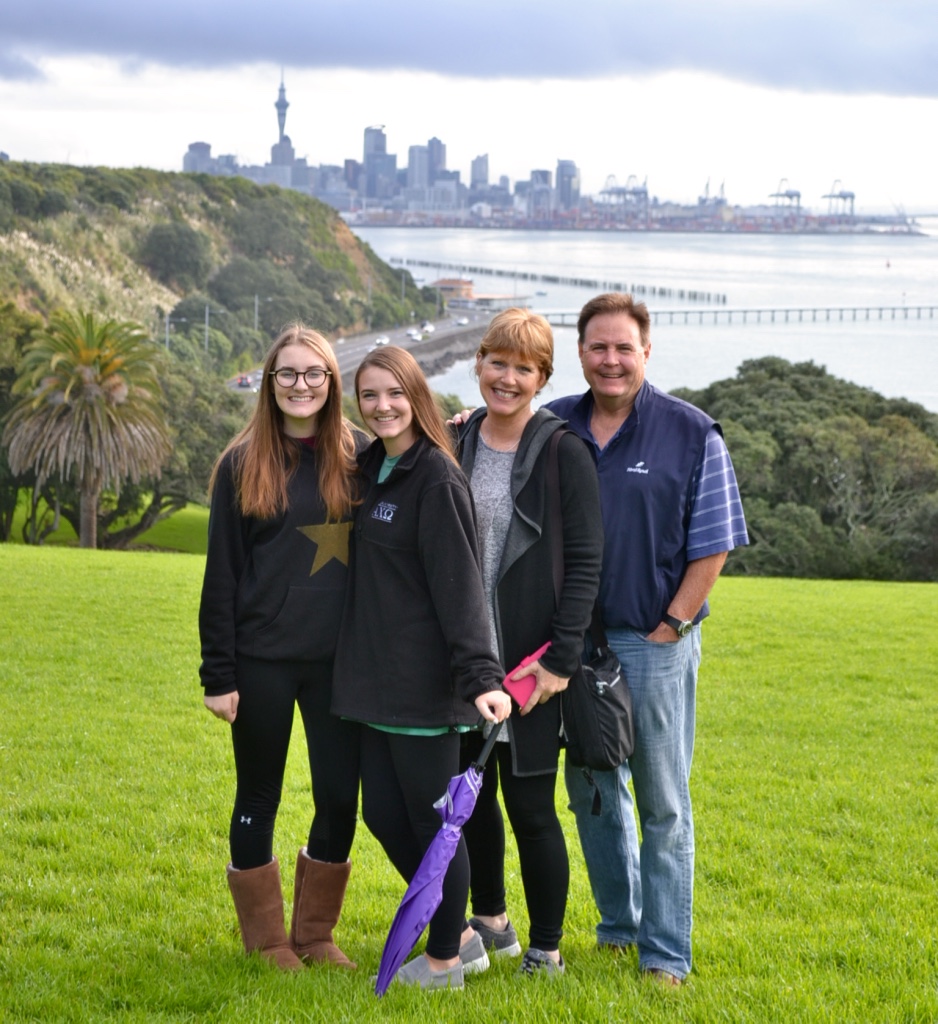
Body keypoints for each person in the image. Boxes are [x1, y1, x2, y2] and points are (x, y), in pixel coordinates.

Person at [546, 293, 748, 986]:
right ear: (580, 353)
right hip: (573, 645)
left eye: (623, 348)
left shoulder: (691, 433)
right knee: (594, 790)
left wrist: (675, 624)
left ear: (646, 352)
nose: (610, 359)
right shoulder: (554, 426)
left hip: (653, 643)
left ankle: (665, 953)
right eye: (598, 347)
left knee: (662, 801)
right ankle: (617, 927)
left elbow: (716, 543)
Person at [332, 346, 512, 991]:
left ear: (417, 394)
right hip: (371, 680)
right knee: (382, 814)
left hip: (424, 684)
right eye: (369, 395)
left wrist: (482, 678)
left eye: (394, 393)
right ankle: (460, 933)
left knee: (437, 827)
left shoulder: (435, 475)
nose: (382, 406)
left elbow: (460, 587)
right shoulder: (368, 465)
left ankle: (442, 961)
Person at [199, 324, 366, 971]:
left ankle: (317, 936)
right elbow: (222, 576)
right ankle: (268, 941)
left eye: (314, 373)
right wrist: (219, 673)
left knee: (336, 796)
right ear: (270, 384)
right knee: (258, 794)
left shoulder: (362, 457)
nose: (301, 385)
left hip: (340, 665)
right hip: (262, 661)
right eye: (288, 374)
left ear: (332, 382)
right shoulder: (242, 463)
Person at [454, 308, 603, 977]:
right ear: (479, 363)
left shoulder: (563, 451)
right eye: (497, 363)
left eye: (523, 368)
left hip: (527, 666)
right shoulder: (457, 440)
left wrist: (560, 662)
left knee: (531, 809)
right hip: (462, 662)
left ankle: (546, 949)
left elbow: (585, 565)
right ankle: (491, 921)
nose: (507, 379)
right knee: (473, 801)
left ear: (543, 377)